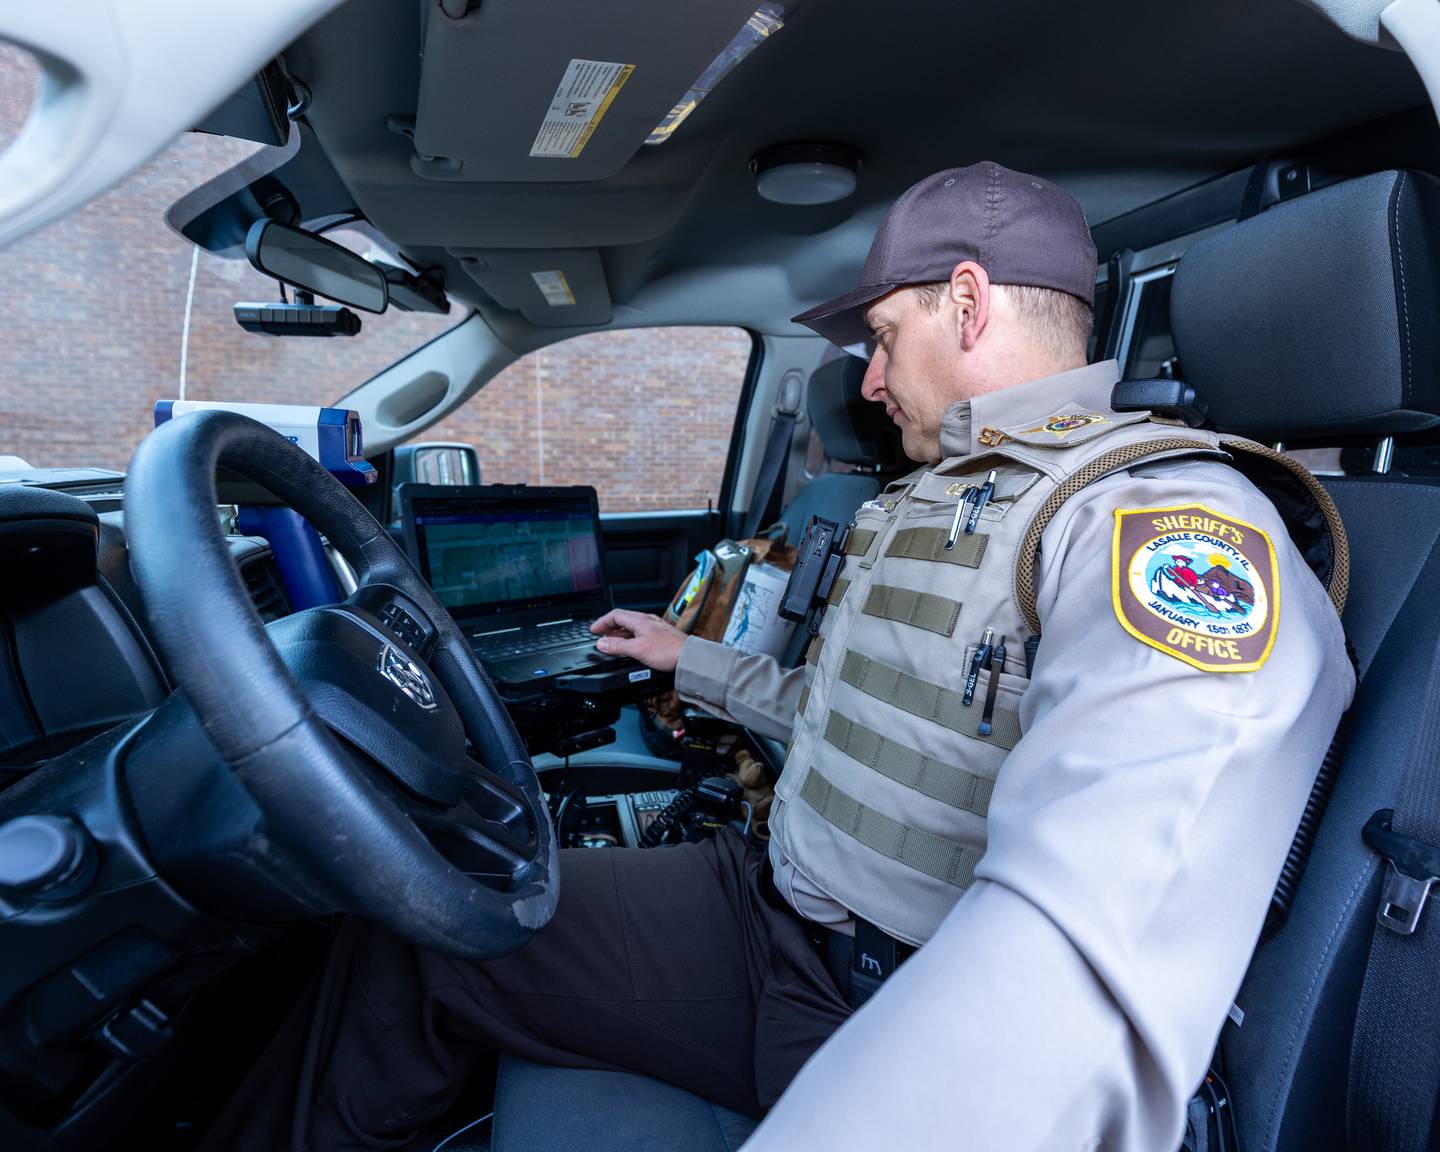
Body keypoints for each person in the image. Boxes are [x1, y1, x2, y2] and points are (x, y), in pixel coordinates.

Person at [203, 163, 1354, 1152]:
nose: (864, 379)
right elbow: (847, 716)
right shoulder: (944, 494)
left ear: (967, 304)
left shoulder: (1164, 525)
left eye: (882, 339)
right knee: (431, 928)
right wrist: (684, 659)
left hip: (888, 989)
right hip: (771, 906)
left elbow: (1101, 935)